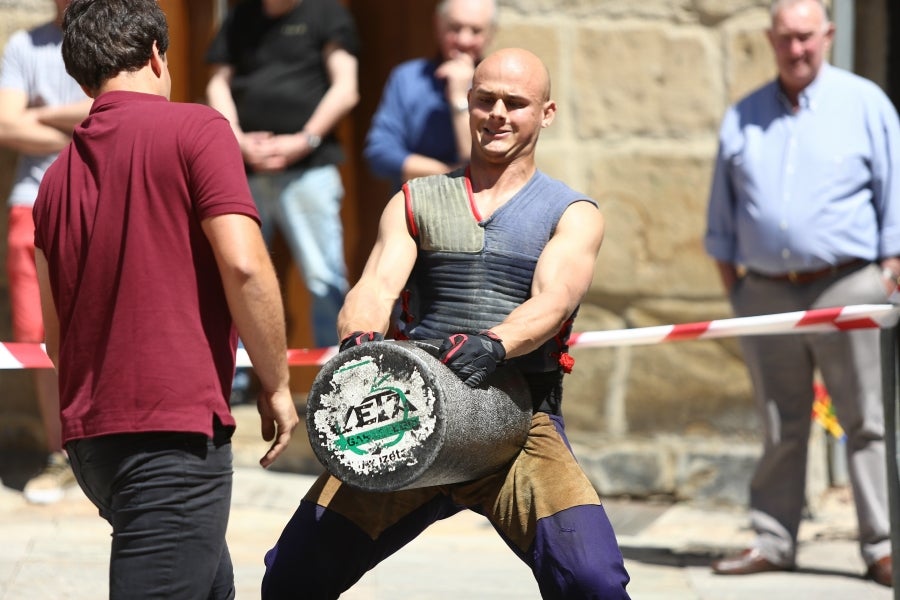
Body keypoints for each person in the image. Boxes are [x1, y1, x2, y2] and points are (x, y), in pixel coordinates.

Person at [262, 47, 631, 600]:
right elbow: (375, 287)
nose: (498, 114)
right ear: (468, 103)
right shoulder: (416, 199)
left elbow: (553, 301)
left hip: (518, 425)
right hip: (409, 417)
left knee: (592, 581)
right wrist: (359, 341)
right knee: (295, 573)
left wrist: (495, 343)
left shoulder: (571, 212)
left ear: (546, 113)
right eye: (486, 100)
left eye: (516, 103)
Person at [32, 1, 300, 597]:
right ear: (157, 54)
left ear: (82, 79)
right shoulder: (197, 128)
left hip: (93, 443)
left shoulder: (53, 180)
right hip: (170, 437)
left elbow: (55, 336)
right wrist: (278, 384)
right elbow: (244, 265)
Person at [704, 0, 900, 588]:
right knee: (779, 421)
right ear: (771, 38)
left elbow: (895, 189)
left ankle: (884, 547)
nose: (797, 49)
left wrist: (889, 270)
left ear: (829, 35)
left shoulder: (866, 103)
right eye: (786, 38)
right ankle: (773, 539)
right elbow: (721, 217)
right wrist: (738, 292)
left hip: (849, 284)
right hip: (765, 293)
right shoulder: (744, 115)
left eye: (807, 37)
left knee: (865, 419)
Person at [205, 0, 359, 352]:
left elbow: (346, 88)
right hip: (244, 171)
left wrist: (304, 140)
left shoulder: (327, 13)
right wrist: (237, 140)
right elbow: (217, 84)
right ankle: (237, 379)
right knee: (237, 274)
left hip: (310, 171)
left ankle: (340, 373)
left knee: (324, 279)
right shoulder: (240, 16)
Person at [0, 0, 90, 504]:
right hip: (29, 205)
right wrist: (83, 132)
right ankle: (60, 455)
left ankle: (103, 449)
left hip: (100, 200)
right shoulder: (23, 44)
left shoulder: (114, 36)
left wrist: (42, 116)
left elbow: (121, 111)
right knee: (37, 338)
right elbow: (5, 125)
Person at [364, 0, 497, 191]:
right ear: (438, 25)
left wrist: (459, 99)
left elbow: (485, 164)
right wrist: (448, 174)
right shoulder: (407, 78)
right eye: (455, 27)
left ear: (490, 34)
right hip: (417, 206)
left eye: (475, 31)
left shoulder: (501, 87)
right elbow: (380, 153)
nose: (463, 40)